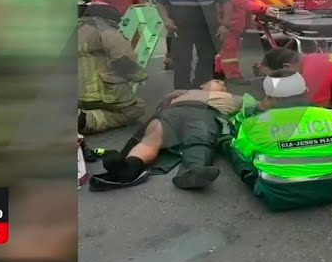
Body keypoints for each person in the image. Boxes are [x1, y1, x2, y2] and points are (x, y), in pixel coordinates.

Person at [226, 69, 332, 211]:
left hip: (277, 195)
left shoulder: (252, 124)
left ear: (269, 98)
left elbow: (245, 157)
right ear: (306, 92)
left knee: (236, 149)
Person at [89, 80, 246, 191]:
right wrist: (168, 98)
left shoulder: (235, 98)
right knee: (152, 137)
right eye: (218, 81)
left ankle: (195, 171)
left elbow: (260, 105)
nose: (223, 85)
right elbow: (159, 108)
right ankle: (130, 167)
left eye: (225, 86)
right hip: (171, 112)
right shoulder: (186, 92)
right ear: (203, 85)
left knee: (199, 138)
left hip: (204, 113)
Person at [155, 0, 232, 89]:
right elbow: (160, 3)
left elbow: (227, 2)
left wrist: (225, 24)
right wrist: (166, 19)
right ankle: (181, 90)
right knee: (181, 60)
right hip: (180, 29)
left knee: (206, 59)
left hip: (207, 28)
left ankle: (201, 87)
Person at [78, 2, 146, 134]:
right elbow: (123, 58)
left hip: (77, 95)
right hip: (105, 94)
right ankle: (84, 120)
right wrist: (140, 75)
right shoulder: (106, 31)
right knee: (136, 109)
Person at [216, 0, 279, 82]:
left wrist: (265, 8)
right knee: (229, 51)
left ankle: (219, 71)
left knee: (228, 49)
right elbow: (238, 1)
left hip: (239, 22)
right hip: (226, 22)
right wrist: (263, 9)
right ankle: (234, 77)